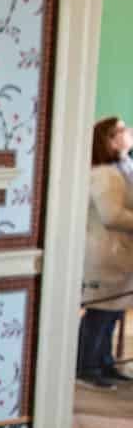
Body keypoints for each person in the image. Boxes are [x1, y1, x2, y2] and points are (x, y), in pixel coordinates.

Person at [78, 116, 133, 387]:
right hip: (105, 251)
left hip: (117, 251)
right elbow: (112, 215)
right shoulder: (104, 174)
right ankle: (86, 366)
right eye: (122, 130)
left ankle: (104, 361)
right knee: (101, 311)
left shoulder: (121, 168)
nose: (129, 132)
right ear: (108, 140)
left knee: (113, 310)